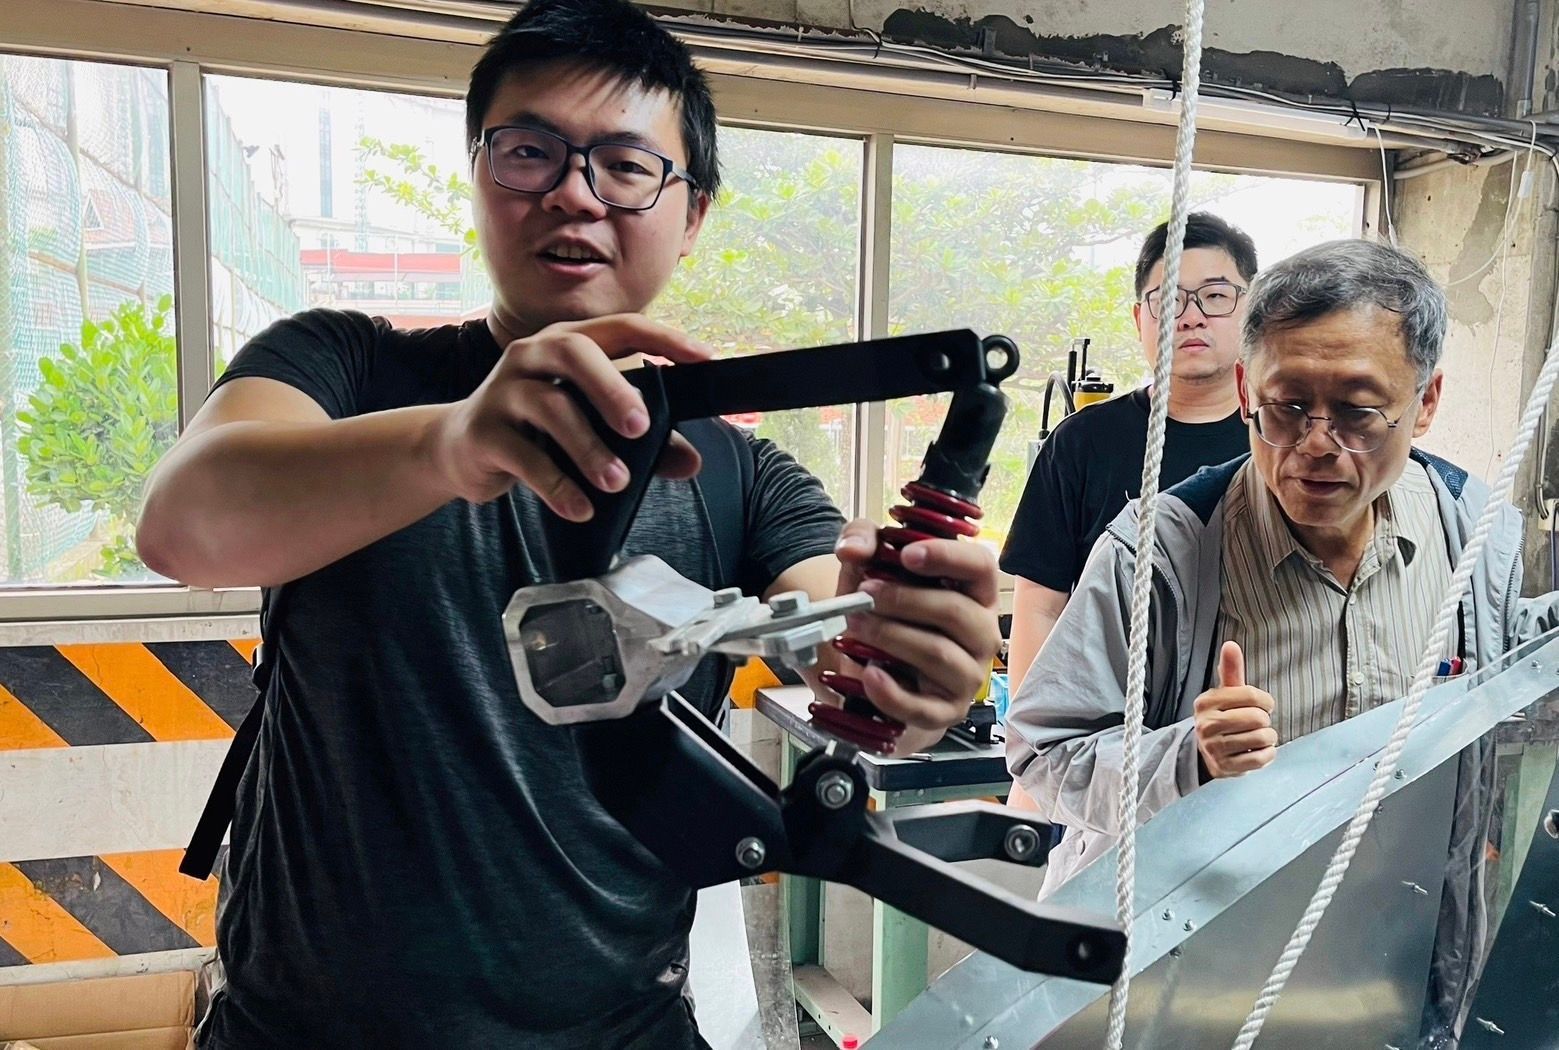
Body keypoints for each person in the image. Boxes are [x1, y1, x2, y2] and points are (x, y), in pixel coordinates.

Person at [136, 1, 999, 1046]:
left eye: (626, 166)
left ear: (692, 215)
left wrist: (903, 662)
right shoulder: (343, 368)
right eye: (529, 152)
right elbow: (183, 525)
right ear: (479, 174)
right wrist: (450, 443)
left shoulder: (742, 477)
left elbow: (834, 625)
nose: (574, 194)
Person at [1004, 238, 1559, 1038]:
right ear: (1244, 389)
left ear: (1425, 400)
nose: (1315, 443)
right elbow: (1043, 755)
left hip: (1402, 978)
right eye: (1287, 405)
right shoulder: (1159, 554)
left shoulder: (1471, 533)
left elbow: (1505, 678)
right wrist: (1189, 756)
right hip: (1196, 987)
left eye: (1357, 411)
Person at [1002, 212, 1257, 693]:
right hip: (1109, 718)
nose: (1192, 316)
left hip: (1254, 712)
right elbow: (1039, 604)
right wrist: (1028, 729)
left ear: (1252, 309)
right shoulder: (1081, 443)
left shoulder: (1280, 438)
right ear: (1141, 319)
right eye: (1168, 300)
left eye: (1216, 296)